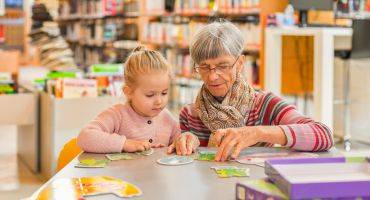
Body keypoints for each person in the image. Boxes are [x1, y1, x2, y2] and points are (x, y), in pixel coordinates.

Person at [167, 21, 333, 161]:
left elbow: (323, 135)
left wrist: (258, 133)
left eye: (223, 66)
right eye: (204, 67)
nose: (212, 77)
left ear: (240, 63)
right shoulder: (190, 113)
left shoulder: (264, 104)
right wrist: (185, 142)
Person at [78, 46, 180, 153]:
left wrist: (183, 140)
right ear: (128, 92)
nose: (159, 101)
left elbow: (181, 138)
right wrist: (124, 144)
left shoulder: (167, 118)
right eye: (150, 95)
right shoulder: (117, 115)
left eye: (164, 93)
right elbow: (85, 137)